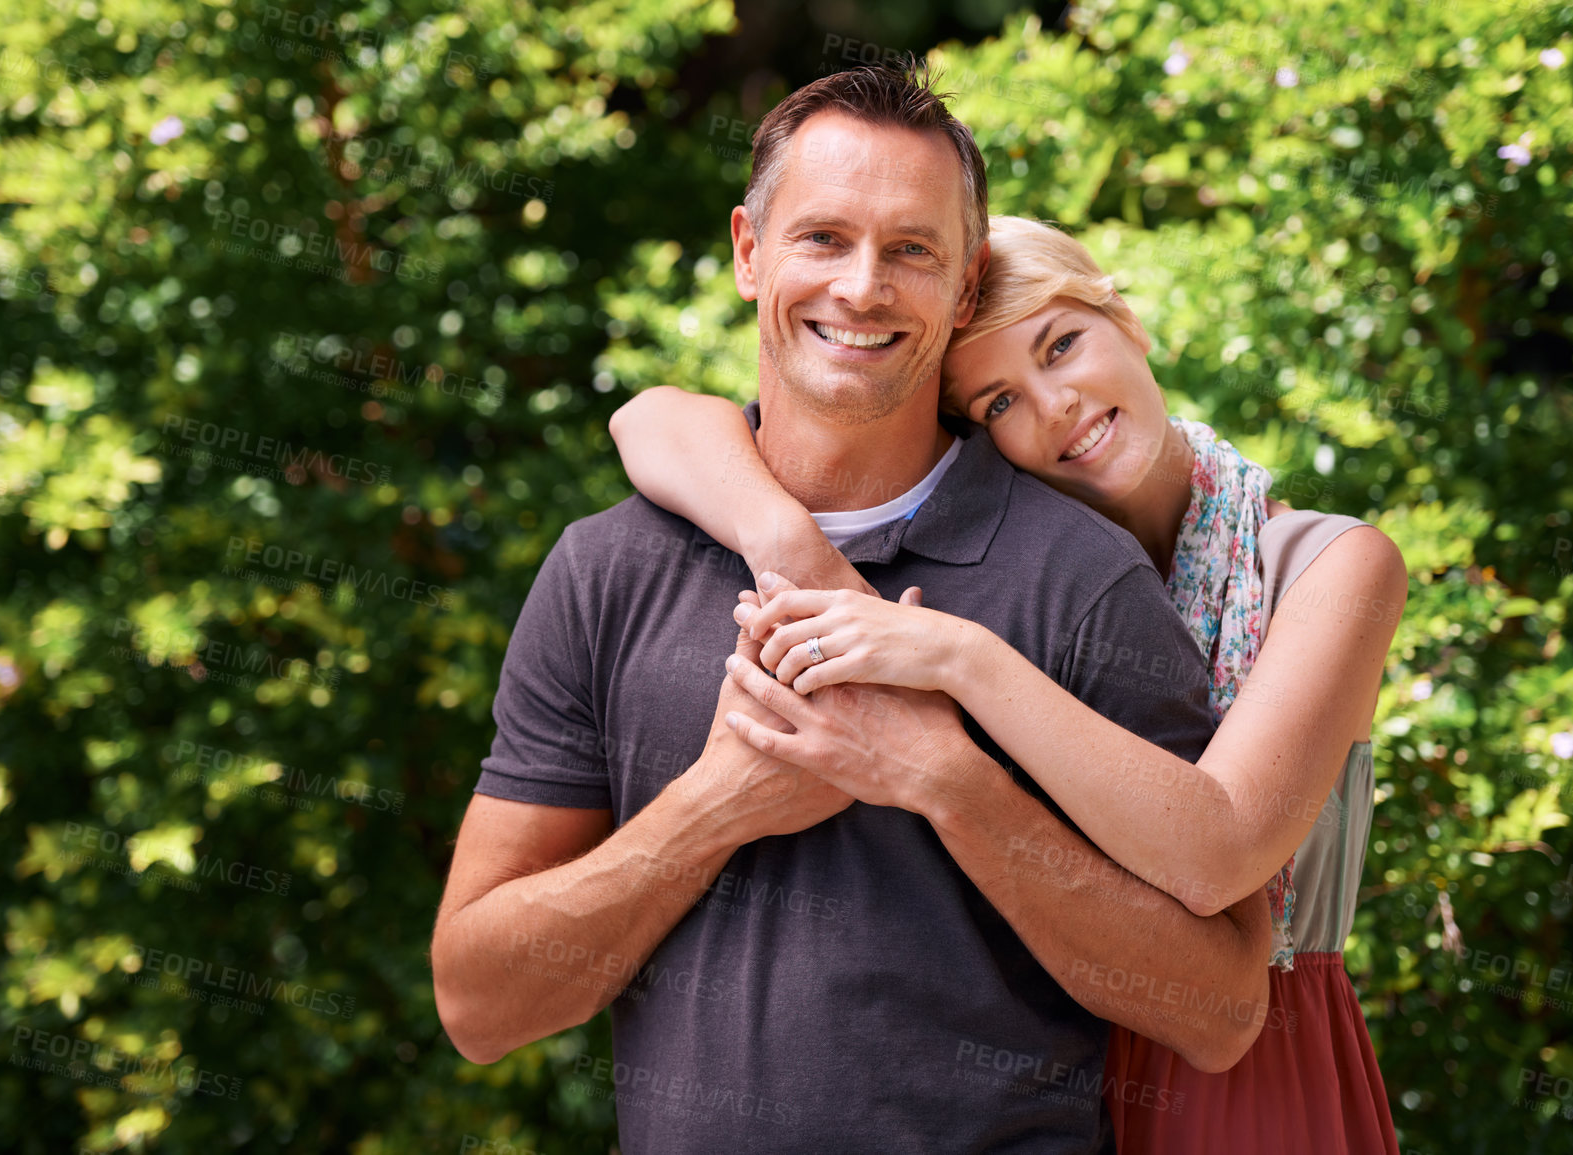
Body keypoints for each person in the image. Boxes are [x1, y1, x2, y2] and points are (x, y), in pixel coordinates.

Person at [432, 62, 1280, 1154]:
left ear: (965, 289)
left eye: (912, 250)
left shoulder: (1081, 577)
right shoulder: (610, 568)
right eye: (823, 238)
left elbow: (1220, 1012)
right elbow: (480, 1004)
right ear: (749, 252)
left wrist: (946, 781)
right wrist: (723, 804)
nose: (863, 286)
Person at [608, 213, 1408, 1153]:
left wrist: (963, 659)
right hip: (1050, 1057)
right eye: (996, 403)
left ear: (1128, 320)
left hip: (1253, 1071)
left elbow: (1219, 849)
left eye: (1061, 346)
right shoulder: (1037, 579)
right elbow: (647, 418)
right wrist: (788, 543)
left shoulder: (1327, 567)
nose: (1052, 406)